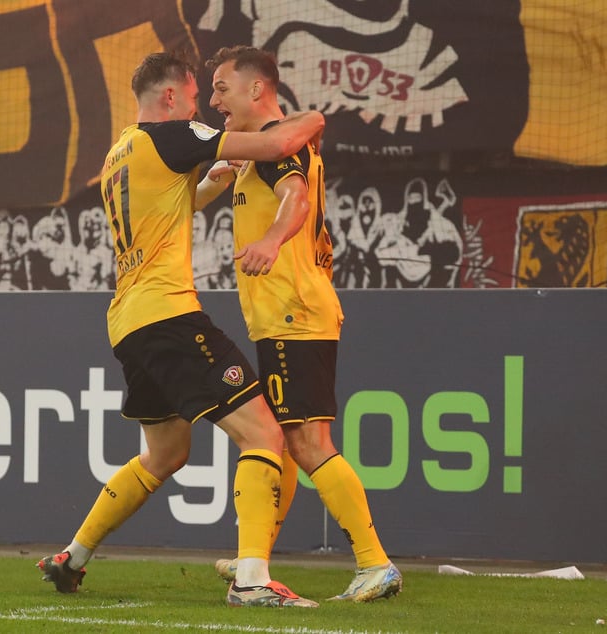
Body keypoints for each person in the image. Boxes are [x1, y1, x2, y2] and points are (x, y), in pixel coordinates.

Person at [37, 51, 326, 608]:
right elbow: (273, 146)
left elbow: (176, 204)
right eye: (198, 96)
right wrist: (314, 120)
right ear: (171, 98)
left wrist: (215, 181)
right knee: (265, 434)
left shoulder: (121, 150)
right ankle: (251, 580)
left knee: (163, 456)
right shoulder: (174, 133)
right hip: (168, 315)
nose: (207, 107)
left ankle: (71, 558)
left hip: (127, 322)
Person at [196, 45, 402, 602]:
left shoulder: (277, 145)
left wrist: (269, 239)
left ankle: (374, 562)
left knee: (309, 443)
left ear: (257, 89)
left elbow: (296, 199)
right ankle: (253, 559)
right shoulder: (263, 148)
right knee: (286, 441)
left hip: (293, 311)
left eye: (221, 87)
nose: (214, 101)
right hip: (286, 312)